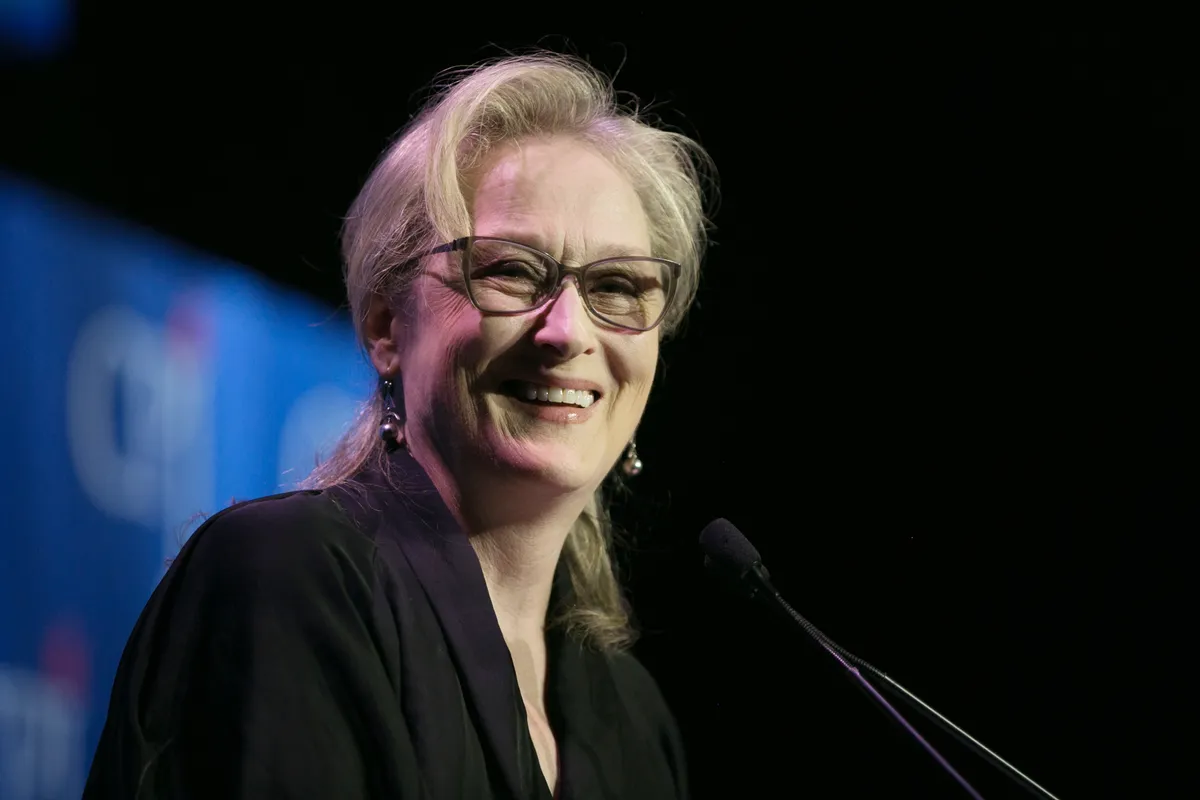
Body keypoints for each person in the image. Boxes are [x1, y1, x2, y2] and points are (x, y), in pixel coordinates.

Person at [82, 51, 713, 799]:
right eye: (510, 270)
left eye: (617, 286)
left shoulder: (633, 718)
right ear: (387, 324)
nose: (567, 331)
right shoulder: (285, 578)